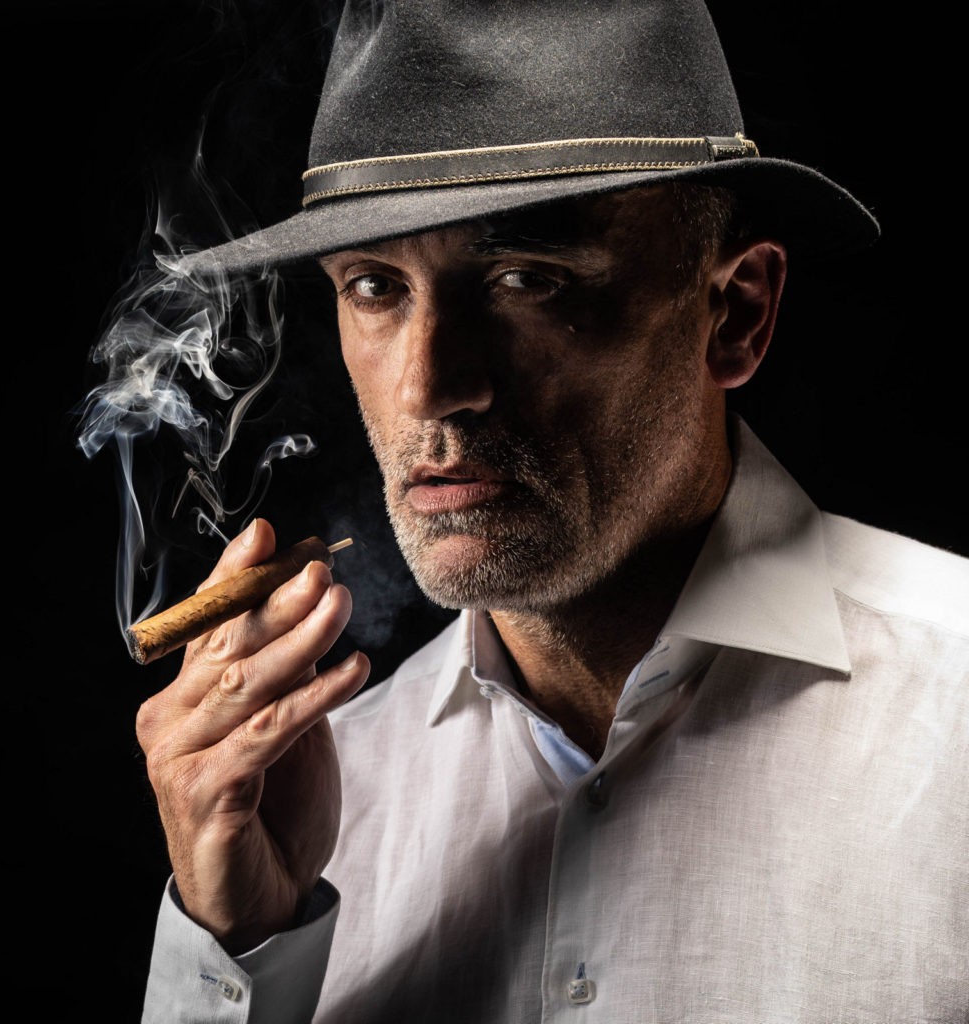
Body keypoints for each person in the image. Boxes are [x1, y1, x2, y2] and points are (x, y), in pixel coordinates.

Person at [136, 2, 968, 1021]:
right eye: (375, 286)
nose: (429, 387)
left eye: (526, 279)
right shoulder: (313, 811)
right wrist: (243, 955)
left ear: (736, 313)